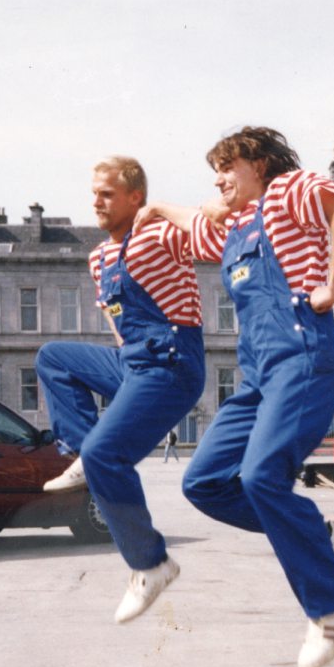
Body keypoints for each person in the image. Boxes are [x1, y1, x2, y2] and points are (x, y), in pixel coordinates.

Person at [138, 127, 334, 667]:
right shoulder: (236, 228)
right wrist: (155, 209)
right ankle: (321, 535)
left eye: (228, 167)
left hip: (301, 357)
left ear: (258, 165)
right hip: (257, 376)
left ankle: (333, 608)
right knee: (206, 482)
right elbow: (200, 221)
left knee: (262, 477)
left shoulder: (287, 192)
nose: (219, 179)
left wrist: (332, 287)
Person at [34, 155, 206, 624]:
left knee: (107, 456)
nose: (96, 202)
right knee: (53, 357)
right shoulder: (99, 257)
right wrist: (122, 372)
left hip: (172, 360)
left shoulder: (159, 233)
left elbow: (216, 228)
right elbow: (115, 317)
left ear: (135, 197)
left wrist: (163, 209)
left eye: (107, 194)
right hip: (133, 360)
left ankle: (150, 563)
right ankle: (83, 451)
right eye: (94, 193)